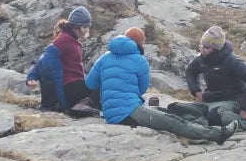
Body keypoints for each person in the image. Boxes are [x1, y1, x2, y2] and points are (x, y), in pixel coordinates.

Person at [86, 30, 234, 143]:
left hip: (111, 112)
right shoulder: (139, 60)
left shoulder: (104, 57)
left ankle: (203, 125)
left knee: (164, 112)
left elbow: (90, 83)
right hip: (127, 112)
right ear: (139, 43)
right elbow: (142, 89)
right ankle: (217, 134)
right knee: (172, 122)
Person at [170, 26, 246, 136]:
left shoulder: (232, 61)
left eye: (206, 47)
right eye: (202, 45)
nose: (202, 49)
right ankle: (205, 123)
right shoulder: (202, 59)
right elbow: (190, 72)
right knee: (176, 108)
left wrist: (245, 109)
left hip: (233, 101)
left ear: (216, 48)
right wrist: (196, 91)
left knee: (217, 115)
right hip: (210, 100)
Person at [27, 5, 95, 114]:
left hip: (73, 85)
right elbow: (44, 60)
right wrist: (31, 77)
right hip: (69, 89)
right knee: (98, 84)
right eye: (85, 27)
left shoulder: (70, 38)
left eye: (88, 27)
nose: (87, 30)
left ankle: (83, 105)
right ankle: (81, 106)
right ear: (76, 27)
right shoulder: (65, 40)